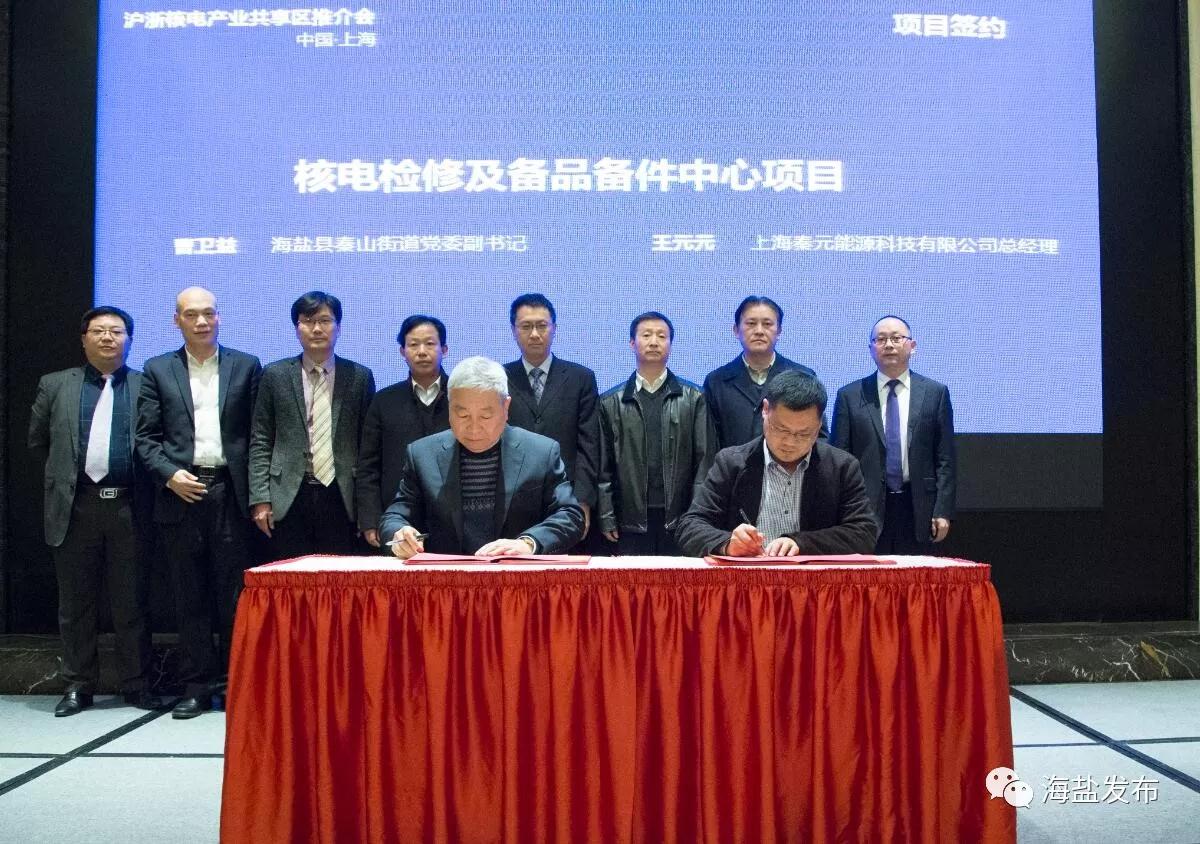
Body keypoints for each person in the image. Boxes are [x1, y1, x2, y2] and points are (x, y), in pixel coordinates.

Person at [28, 307, 164, 716]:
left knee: (131, 601)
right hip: (76, 506)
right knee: (76, 604)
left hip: (129, 506)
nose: (108, 337)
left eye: (116, 331)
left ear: (129, 340)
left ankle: (137, 683)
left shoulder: (145, 384)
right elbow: (38, 442)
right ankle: (78, 684)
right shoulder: (55, 385)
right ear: (83, 338)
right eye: (99, 330)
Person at [135, 287, 262, 719]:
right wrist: (170, 475)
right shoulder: (158, 369)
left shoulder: (246, 365)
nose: (202, 321)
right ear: (177, 321)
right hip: (181, 493)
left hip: (230, 493)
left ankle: (235, 684)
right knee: (189, 596)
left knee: (233, 597)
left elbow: (258, 435)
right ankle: (196, 686)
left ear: (219, 317)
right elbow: (145, 438)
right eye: (192, 315)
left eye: (208, 313)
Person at [381, 357, 584, 558]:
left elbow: (570, 515)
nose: (474, 428)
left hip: (516, 575)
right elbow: (394, 517)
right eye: (463, 415)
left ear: (506, 408)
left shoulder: (541, 452)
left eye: (485, 416)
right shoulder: (423, 455)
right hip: (447, 576)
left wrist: (528, 543)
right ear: (449, 407)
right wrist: (400, 535)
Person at [675, 370, 876, 557]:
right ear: (765, 410)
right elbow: (690, 526)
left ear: (819, 424)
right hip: (746, 579)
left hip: (812, 580)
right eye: (781, 429)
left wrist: (801, 542)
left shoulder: (842, 467)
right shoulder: (731, 463)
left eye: (804, 434)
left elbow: (864, 533)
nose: (790, 442)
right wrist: (727, 544)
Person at [249, 291, 375, 558]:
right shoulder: (275, 375)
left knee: (338, 576)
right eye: (307, 321)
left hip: (341, 493)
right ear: (297, 329)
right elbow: (261, 439)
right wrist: (260, 498)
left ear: (339, 327)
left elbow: (367, 448)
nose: (317, 328)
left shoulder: (360, 377)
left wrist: (368, 509)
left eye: (325, 320)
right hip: (287, 493)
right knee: (290, 576)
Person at [831, 315, 956, 554]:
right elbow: (839, 458)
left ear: (912, 346)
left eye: (897, 338)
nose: (889, 345)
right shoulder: (850, 395)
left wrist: (942, 510)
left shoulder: (935, 393)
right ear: (871, 348)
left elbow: (945, 458)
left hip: (918, 506)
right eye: (881, 339)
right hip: (865, 507)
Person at [598, 312, 714, 555]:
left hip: (681, 520)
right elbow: (603, 466)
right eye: (646, 335)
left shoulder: (694, 398)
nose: (654, 342)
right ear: (632, 343)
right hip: (629, 520)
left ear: (671, 344)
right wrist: (606, 515)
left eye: (662, 336)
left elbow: (704, 462)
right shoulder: (610, 402)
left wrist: (699, 517)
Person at [502, 293, 599, 543]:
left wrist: (582, 502)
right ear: (513, 330)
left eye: (542, 326)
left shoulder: (581, 378)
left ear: (554, 328)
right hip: (511, 498)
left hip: (565, 496)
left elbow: (589, 445)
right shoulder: (499, 378)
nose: (535, 334)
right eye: (526, 326)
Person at [356, 315, 451, 549]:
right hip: (399, 516)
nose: (422, 352)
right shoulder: (384, 400)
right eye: (413, 344)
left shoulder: (461, 397)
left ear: (444, 349)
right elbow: (368, 466)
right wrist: (370, 519)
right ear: (402, 351)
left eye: (430, 344)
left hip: (452, 514)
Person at [703, 295, 826, 450]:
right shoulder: (716, 381)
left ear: (779, 331)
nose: (759, 331)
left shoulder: (803, 376)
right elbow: (708, 442)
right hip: (732, 465)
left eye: (767, 324)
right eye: (751, 323)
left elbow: (819, 436)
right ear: (736, 330)